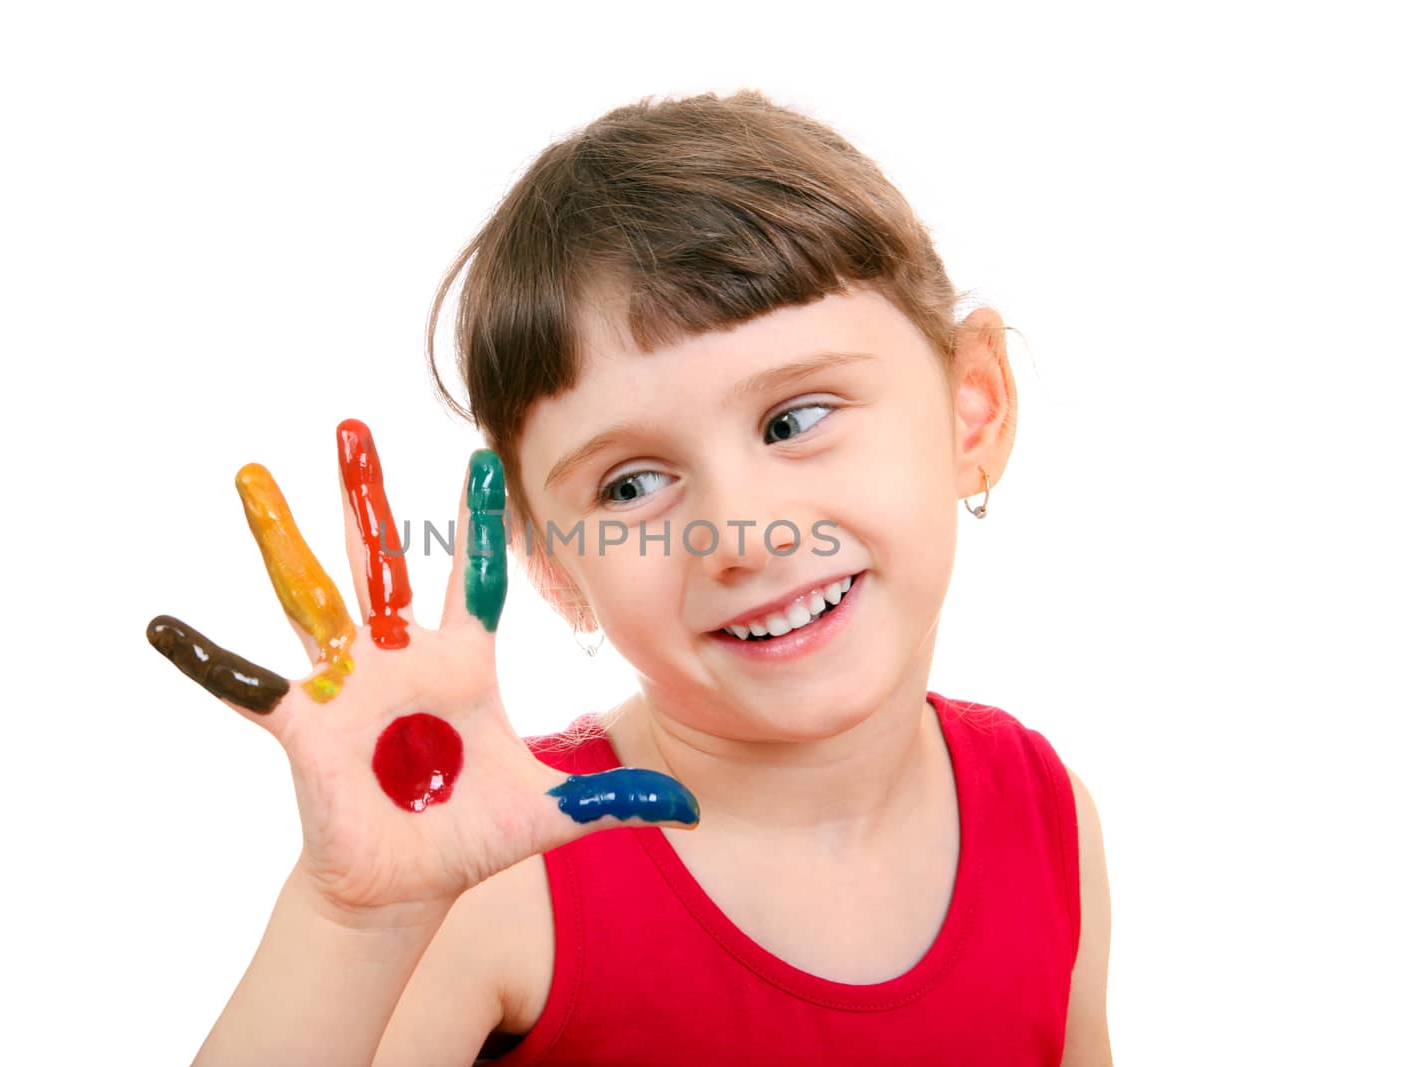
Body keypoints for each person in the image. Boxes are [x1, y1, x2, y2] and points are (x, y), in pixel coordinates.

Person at [147, 90, 1112, 1066]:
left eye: (794, 418)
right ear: (554, 564)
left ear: (974, 409)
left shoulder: (1044, 818)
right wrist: (353, 926)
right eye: (633, 482)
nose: (741, 532)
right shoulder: (499, 871)